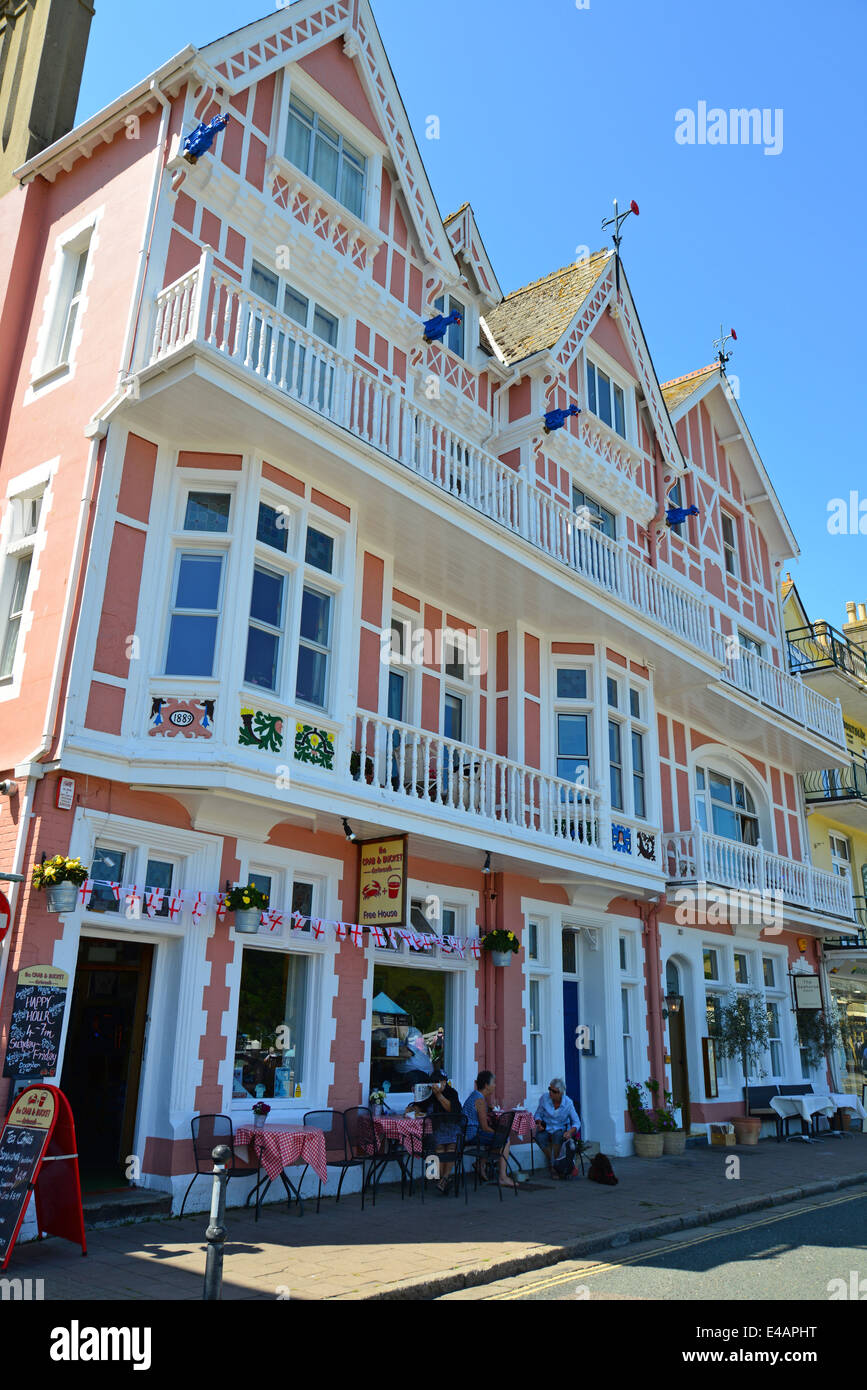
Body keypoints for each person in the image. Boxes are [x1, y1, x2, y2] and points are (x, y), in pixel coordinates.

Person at [406, 1068, 462, 1192]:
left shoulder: (452, 1093)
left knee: (452, 1146)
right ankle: (442, 1180)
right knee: (439, 1147)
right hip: (435, 1128)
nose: (438, 1084)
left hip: (451, 1126)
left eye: (441, 1081)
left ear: (445, 1082)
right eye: (435, 1081)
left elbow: (451, 1109)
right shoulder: (429, 1093)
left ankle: (444, 1179)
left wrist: (439, 1095)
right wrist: (412, 1108)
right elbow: (420, 1106)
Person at [462, 1070, 515, 1189]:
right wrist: (498, 1134)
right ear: (486, 1085)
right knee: (505, 1140)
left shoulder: (476, 1096)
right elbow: (485, 1127)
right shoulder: (479, 1100)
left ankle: (481, 1163)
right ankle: (502, 1177)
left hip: (468, 1132)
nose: (495, 1085)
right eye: (493, 1083)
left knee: (499, 1140)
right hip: (471, 1134)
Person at [534, 1078, 581, 1177]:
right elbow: (538, 1114)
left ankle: (555, 1166)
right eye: (549, 1089)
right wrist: (539, 1123)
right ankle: (553, 1162)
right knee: (539, 1137)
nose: (550, 1092)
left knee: (558, 1136)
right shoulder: (544, 1098)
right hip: (547, 1128)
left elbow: (577, 1122)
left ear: (560, 1093)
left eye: (553, 1091)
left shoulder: (568, 1103)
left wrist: (570, 1132)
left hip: (560, 1129)